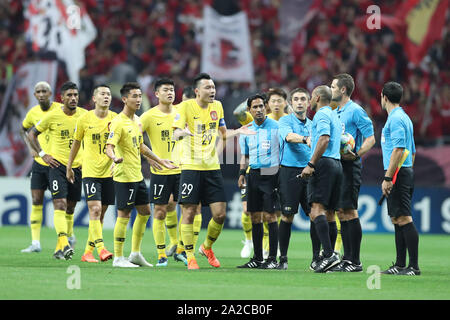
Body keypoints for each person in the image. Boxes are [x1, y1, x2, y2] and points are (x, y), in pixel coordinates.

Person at [173, 73, 253, 270]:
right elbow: (175, 132)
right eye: (208, 87)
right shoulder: (185, 107)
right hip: (191, 167)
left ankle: (207, 247)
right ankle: (190, 256)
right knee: (189, 212)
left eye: (214, 87)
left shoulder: (217, 107)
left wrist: (237, 132)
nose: (212, 91)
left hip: (212, 169)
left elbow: (223, 134)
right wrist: (183, 132)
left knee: (220, 214)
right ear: (197, 91)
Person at [105, 82, 176, 268]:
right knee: (124, 215)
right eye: (134, 96)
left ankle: (135, 253)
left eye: (139, 96)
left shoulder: (136, 121)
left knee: (145, 212)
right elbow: (108, 147)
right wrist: (114, 158)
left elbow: (141, 145)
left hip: (137, 175)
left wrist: (160, 161)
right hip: (124, 176)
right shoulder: (118, 122)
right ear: (124, 99)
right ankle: (118, 258)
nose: (138, 100)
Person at [28, 81, 88, 260]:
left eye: (75, 95)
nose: (73, 98)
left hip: (77, 167)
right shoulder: (53, 116)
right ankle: (64, 243)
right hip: (57, 166)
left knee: (70, 208)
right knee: (59, 204)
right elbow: (32, 133)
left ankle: (60, 247)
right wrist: (42, 154)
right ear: (62, 98)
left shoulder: (85, 116)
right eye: (69, 95)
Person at [328, 73, 375, 272]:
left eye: (333, 86)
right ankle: (347, 259)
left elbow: (371, 138)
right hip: (338, 165)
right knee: (341, 211)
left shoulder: (355, 110)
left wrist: (356, 154)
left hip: (350, 166)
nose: (330, 90)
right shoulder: (335, 111)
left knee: (349, 210)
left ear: (343, 89)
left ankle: (354, 261)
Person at [66, 84, 116, 263]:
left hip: (109, 173)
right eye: (102, 93)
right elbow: (76, 144)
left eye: (108, 94)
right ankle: (102, 249)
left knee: (100, 215)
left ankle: (87, 252)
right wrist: (69, 166)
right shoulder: (85, 119)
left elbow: (123, 144)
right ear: (94, 98)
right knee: (94, 209)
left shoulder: (116, 119)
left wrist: (117, 161)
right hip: (90, 172)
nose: (106, 96)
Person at [140, 78, 183, 267]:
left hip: (183, 170)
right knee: (159, 211)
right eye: (166, 90)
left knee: (187, 209)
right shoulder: (149, 116)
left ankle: (180, 247)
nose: (170, 93)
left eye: (172, 90)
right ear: (156, 94)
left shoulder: (182, 113)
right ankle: (161, 254)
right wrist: (149, 158)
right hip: (161, 171)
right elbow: (135, 138)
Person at [300, 85, 342, 273]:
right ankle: (332, 258)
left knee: (316, 210)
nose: (309, 100)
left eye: (310, 97)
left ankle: (328, 254)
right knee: (330, 213)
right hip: (337, 163)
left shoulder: (321, 115)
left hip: (324, 164)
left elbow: (324, 139)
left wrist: (311, 164)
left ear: (317, 98)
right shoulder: (335, 114)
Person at [379, 81, 420, 276]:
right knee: (397, 218)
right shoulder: (405, 118)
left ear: (383, 97)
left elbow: (399, 149)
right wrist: (406, 170)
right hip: (404, 170)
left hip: (398, 173)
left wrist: (389, 177)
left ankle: (413, 266)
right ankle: (400, 264)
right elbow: (412, 151)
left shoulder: (395, 119)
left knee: (404, 217)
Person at [237, 94, 280, 269]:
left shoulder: (277, 127)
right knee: (254, 216)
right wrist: (241, 174)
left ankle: (272, 259)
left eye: (261, 106)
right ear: (249, 110)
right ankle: (257, 258)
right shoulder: (246, 130)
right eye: (255, 107)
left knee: (270, 216)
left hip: (271, 173)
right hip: (253, 173)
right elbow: (245, 155)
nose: (259, 109)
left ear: (266, 107)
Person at [20, 81, 61, 253]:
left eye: (45, 91)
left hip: (57, 163)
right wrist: (30, 148)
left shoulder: (60, 109)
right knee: (36, 200)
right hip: (39, 164)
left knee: (62, 203)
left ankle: (66, 238)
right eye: (38, 91)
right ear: (35, 95)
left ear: (50, 93)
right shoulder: (32, 113)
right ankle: (35, 243)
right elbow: (23, 130)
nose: (42, 94)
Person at [277, 88, 312, 270]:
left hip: (310, 172)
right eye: (296, 99)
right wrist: (306, 139)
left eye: (303, 99)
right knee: (287, 215)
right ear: (291, 102)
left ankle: (317, 258)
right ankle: (283, 258)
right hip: (289, 172)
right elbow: (289, 137)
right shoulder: (284, 121)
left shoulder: (313, 124)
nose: (299, 102)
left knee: (316, 214)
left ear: (309, 102)